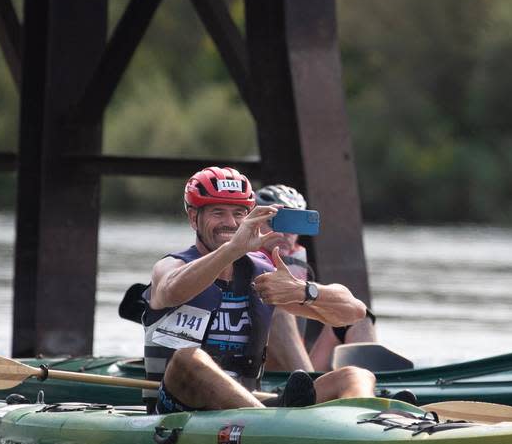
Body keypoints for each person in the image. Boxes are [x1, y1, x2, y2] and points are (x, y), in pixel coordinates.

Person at [143, 166, 376, 413]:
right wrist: (233, 248)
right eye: (218, 212)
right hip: (176, 406)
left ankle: (367, 429)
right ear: (193, 218)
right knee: (188, 358)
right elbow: (172, 290)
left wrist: (301, 290)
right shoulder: (170, 267)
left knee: (355, 376)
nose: (230, 223)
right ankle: (273, 425)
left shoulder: (260, 272)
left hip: (248, 409)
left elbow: (355, 312)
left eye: (239, 213)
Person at [254, 184, 378, 373]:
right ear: (255, 222)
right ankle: (311, 389)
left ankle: (371, 385)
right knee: (278, 310)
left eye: (293, 223)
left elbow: (355, 309)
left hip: (297, 365)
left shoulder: (298, 261)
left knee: (360, 316)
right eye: (275, 221)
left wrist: (303, 291)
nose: (285, 232)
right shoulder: (241, 255)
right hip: (257, 366)